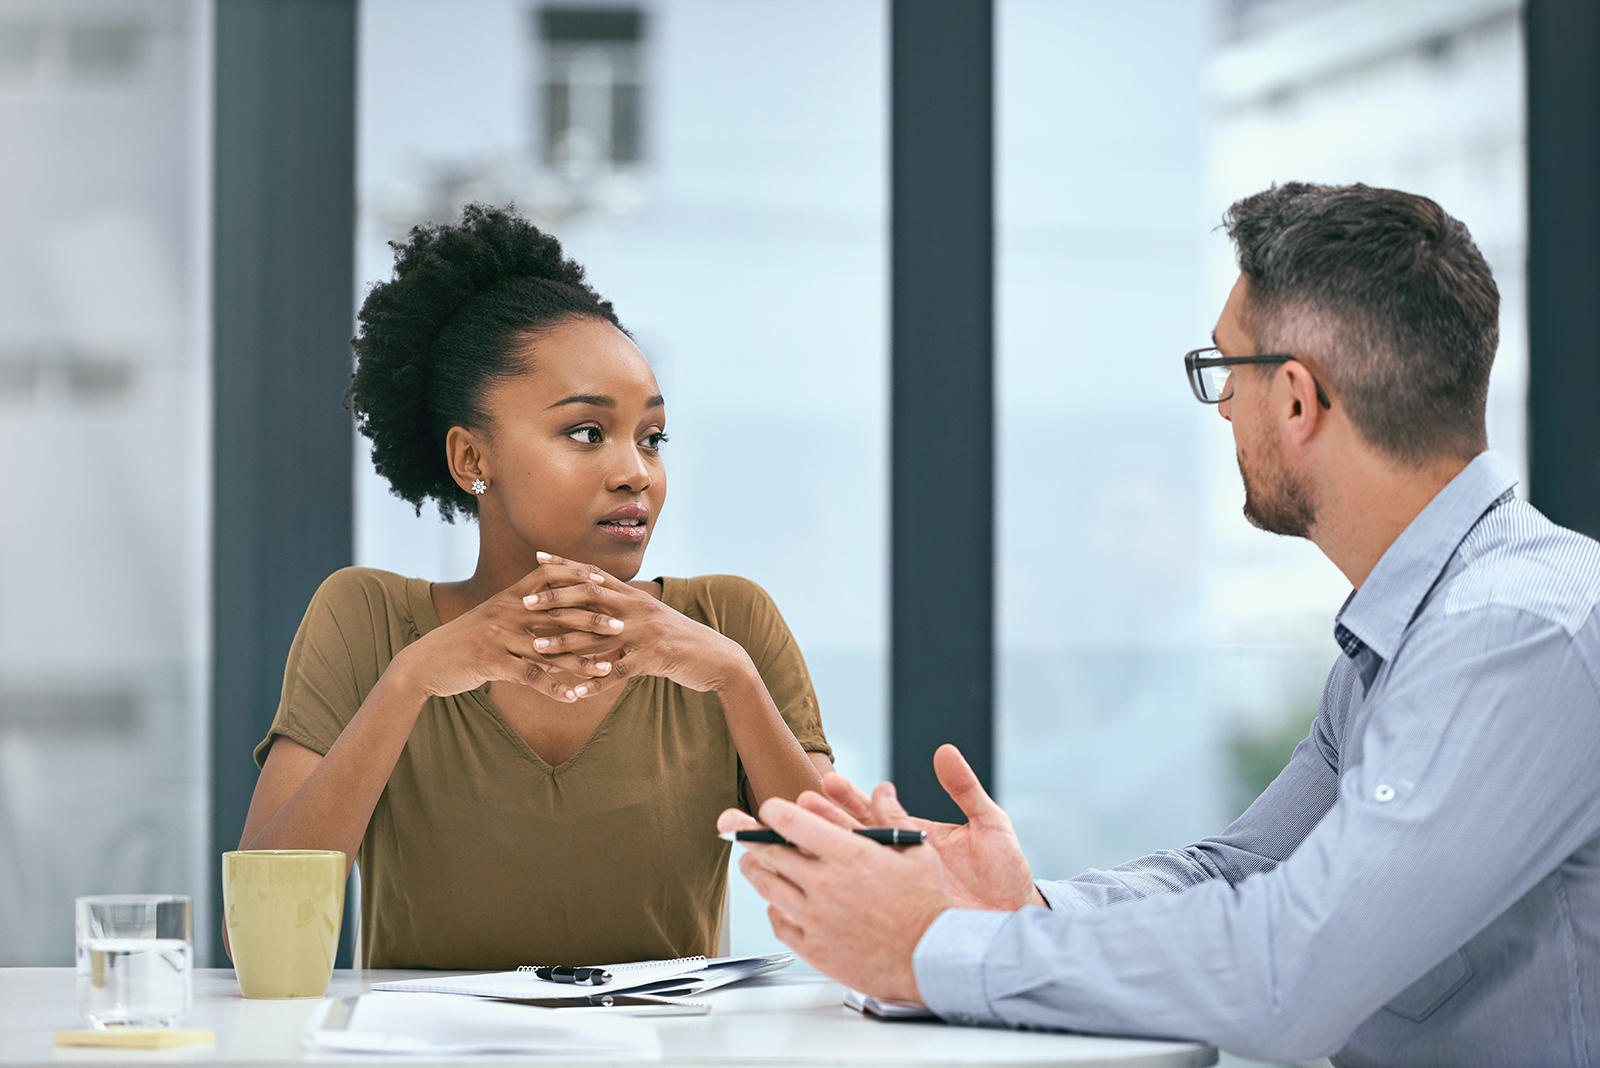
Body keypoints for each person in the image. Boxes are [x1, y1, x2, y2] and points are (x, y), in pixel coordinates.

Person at [722, 183, 1600, 1067]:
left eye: (1226, 371)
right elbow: (1240, 873)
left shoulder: (1515, 634)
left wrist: (930, 948)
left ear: (1298, 399)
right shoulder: (1408, 637)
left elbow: (1287, 973)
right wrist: (1027, 907)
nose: (1221, 408)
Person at [239, 204, 834, 969]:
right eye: (587, 432)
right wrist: (412, 679)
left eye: (652, 438)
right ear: (471, 459)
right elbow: (261, 939)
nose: (636, 472)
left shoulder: (730, 623)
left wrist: (734, 678)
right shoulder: (366, 619)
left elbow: (849, 903)